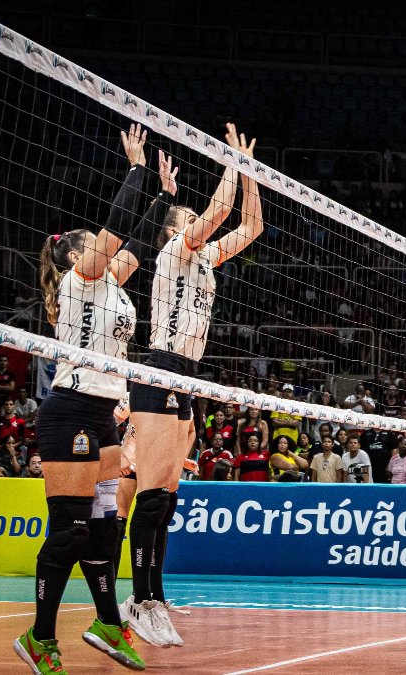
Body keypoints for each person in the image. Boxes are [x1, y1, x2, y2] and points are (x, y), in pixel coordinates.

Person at [14, 125, 166, 673]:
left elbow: (139, 244)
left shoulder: (112, 286)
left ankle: (105, 621)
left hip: (102, 414)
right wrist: (136, 170)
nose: (109, 248)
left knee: (104, 527)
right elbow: (118, 229)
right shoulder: (82, 278)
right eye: (96, 242)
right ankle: (40, 638)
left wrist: (165, 197)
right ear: (78, 254)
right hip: (70, 411)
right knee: (71, 530)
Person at [123, 123, 262, 647]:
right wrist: (231, 161)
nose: (193, 220)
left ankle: (153, 596)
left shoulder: (206, 257)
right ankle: (140, 600)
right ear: (176, 229)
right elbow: (219, 214)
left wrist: (248, 174)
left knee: (169, 500)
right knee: (154, 495)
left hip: (187, 374)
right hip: (160, 366)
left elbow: (250, 225)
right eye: (186, 216)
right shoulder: (177, 249)